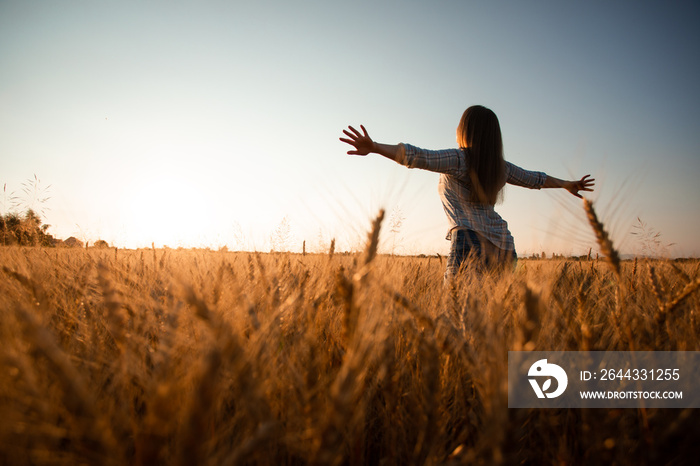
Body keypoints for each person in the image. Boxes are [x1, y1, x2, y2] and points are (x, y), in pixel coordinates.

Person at [339, 105, 595, 281]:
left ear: (465, 130)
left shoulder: (460, 159)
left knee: (456, 315)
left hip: (469, 242)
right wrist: (566, 184)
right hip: (505, 247)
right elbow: (534, 179)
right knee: (494, 318)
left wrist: (375, 147)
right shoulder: (500, 167)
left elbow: (419, 157)